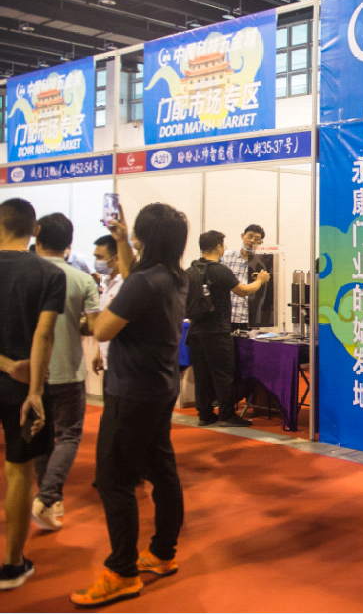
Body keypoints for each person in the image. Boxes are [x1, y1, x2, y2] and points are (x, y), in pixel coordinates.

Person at [72, 203, 189, 607]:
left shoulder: (144, 282)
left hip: (132, 392)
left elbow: (103, 328)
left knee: (113, 479)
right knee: (162, 471)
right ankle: (162, 553)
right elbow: (135, 276)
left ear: (145, 237)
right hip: (158, 387)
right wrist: (120, 241)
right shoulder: (173, 276)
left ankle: (122, 572)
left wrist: (83, 310)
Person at [0, 198, 63, 590]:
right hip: (23, 391)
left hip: (10, 375)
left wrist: (5, 363)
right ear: (34, 230)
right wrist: (35, 390)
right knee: (19, 471)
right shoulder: (49, 273)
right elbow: (44, 335)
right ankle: (12, 564)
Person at [25, 214, 100, 532]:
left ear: (36, 236)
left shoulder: (24, 275)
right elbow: (95, 327)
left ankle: (49, 499)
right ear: (69, 243)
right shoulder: (82, 279)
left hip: (29, 372)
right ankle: (48, 497)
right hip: (68, 369)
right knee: (68, 434)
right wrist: (75, 323)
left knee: (39, 436)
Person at [187, 231, 270, 428]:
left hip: (195, 331)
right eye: (222, 245)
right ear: (218, 247)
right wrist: (260, 280)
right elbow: (243, 291)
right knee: (223, 374)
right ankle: (226, 414)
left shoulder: (190, 271)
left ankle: (205, 414)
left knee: (202, 375)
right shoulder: (220, 270)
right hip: (217, 331)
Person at [221, 224, 266, 332]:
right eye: (250, 236)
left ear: (261, 242)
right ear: (242, 236)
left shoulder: (263, 262)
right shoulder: (226, 256)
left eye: (257, 239)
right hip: (226, 317)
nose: (252, 241)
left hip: (248, 319)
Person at [92, 235, 124, 374]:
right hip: (107, 361)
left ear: (115, 258)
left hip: (121, 363)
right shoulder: (107, 284)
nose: (96, 262)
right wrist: (99, 352)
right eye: (95, 257)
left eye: (100, 257)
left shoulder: (124, 285)